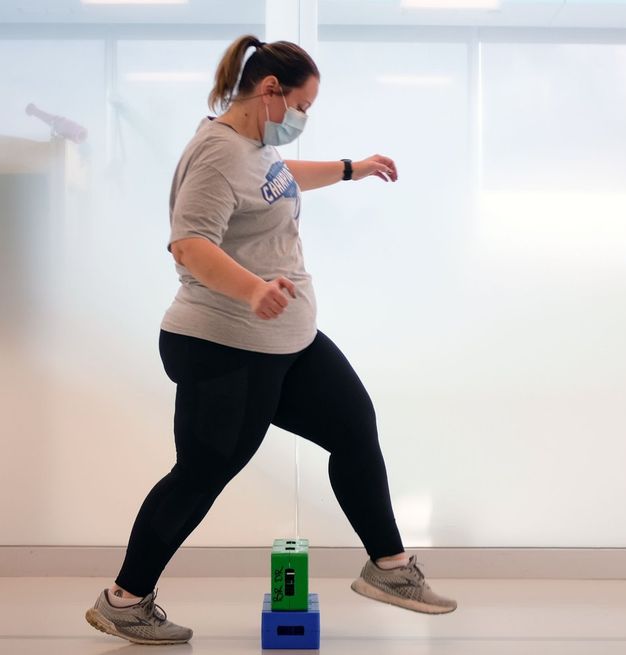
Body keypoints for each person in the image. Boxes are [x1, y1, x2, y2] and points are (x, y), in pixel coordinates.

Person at [85, 34, 457, 646]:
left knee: (354, 426)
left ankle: (389, 568)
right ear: (269, 92)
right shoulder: (216, 152)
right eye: (304, 106)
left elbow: (278, 180)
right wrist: (252, 290)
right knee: (201, 474)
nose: (305, 118)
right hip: (224, 344)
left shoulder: (254, 145)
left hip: (286, 341)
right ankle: (124, 598)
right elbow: (189, 244)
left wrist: (349, 168)